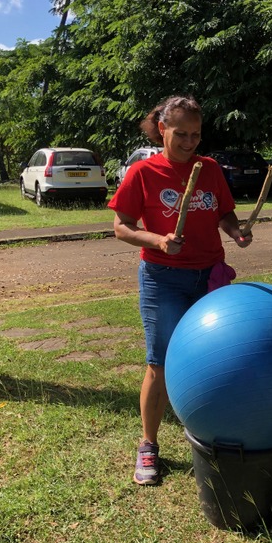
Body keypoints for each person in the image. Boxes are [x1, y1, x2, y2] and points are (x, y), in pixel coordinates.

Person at [109, 95, 253, 484]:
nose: (190, 143)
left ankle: (215, 433)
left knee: (215, 357)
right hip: (163, 278)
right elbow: (121, 226)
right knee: (159, 362)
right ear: (162, 129)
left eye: (196, 135)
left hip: (209, 276)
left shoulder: (209, 169)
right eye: (181, 134)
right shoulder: (143, 172)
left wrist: (236, 231)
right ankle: (148, 446)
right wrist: (157, 240)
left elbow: (224, 212)